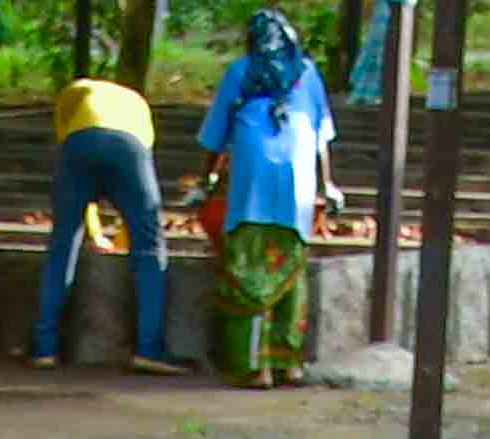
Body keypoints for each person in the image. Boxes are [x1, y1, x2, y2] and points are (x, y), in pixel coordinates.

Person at [202, 11, 342, 383]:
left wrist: (207, 178)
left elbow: (217, 134)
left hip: (251, 180)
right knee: (290, 262)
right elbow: (320, 138)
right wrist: (327, 186)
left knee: (247, 267)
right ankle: (288, 363)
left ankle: (252, 367)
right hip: (296, 179)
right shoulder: (308, 73)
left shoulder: (241, 71)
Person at [37, 49, 184, 364]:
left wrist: (92, 232)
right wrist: (117, 235)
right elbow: (135, 195)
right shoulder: (138, 106)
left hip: (80, 144)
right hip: (131, 147)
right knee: (149, 247)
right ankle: (149, 350)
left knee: (63, 243)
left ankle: (44, 348)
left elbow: (77, 168)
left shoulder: (74, 96)